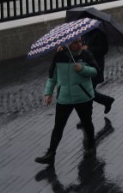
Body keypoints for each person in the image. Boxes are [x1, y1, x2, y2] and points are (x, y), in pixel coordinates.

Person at [35, 38, 99, 166]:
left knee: (87, 122)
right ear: (68, 44)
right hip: (64, 98)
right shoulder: (59, 56)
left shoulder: (86, 55)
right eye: (75, 42)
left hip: (83, 97)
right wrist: (48, 93)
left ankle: (91, 146)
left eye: (80, 41)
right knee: (58, 127)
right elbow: (52, 77)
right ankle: (51, 153)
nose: (79, 44)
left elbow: (95, 71)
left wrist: (82, 69)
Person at [83, 28, 115, 114]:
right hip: (85, 66)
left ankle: (86, 117)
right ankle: (106, 101)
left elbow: (104, 49)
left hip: (95, 66)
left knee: (87, 91)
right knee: (88, 92)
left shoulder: (99, 33)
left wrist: (88, 48)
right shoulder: (84, 33)